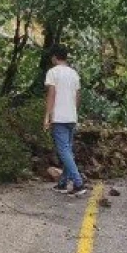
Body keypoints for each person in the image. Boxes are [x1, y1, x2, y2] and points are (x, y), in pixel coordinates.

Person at [44, 46, 87, 196]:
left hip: (59, 117)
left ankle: (78, 182)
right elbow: (78, 96)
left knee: (63, 151)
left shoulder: (53, 72)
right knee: (68, 150)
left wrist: (47, 116)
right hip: (71, 116)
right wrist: (73, 111)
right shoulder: (74, 74)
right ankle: (62, 183)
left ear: (55, 57)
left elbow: (51, 95)